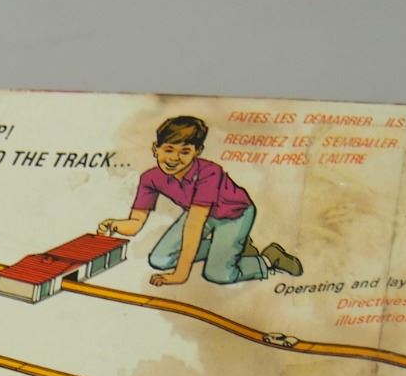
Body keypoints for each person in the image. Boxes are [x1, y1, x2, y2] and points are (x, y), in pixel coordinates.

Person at [97, 116, 302, 286]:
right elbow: (135, 223)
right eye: (168, 149)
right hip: (200, 214)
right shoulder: (150, 178)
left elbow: (194, 225)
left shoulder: (209, 173)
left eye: (185, 152)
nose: (174, 158)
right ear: (155, 149)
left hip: (234, 215)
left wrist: (180, 275)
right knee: (159, 259)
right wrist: (114, 225)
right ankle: (233, 248)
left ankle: (269, 258)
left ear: (198, 151)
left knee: (217, 274)